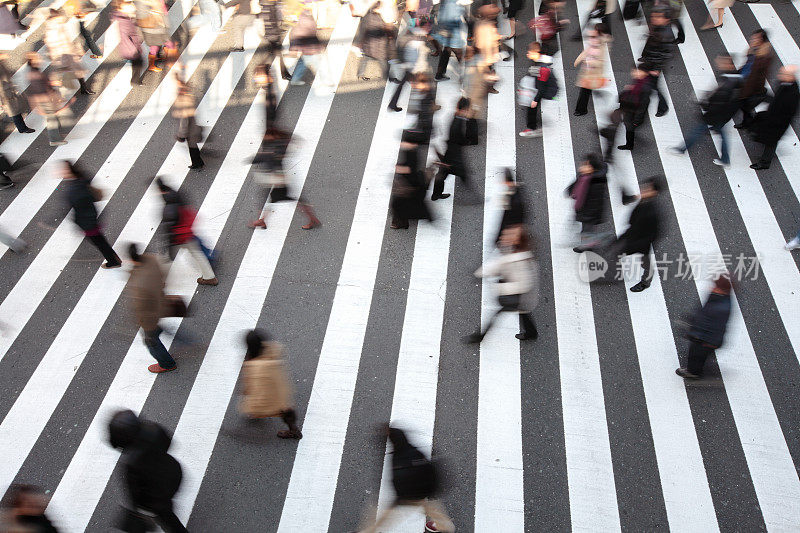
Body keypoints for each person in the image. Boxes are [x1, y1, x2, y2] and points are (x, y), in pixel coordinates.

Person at [359, 425, 454, 533]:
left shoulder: (398, 461)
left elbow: (399, 483)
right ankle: (445, 527)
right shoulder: (414, 452)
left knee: (386, 516)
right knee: (431, 508)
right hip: (424, 491)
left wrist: (399, 499)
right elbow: (430, 470)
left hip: (408, 497)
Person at [108, 410, 188, 533]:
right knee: (168, 510)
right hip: (174, 473)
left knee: (168, 519)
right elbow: (168, 442)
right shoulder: (153, 430)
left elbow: (135, 493)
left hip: (157, 497)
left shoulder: (131, 463)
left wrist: (137, 511)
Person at [466, 225, 539, 343]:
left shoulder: (521, 261)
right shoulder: (513, 251)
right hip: (521, 294)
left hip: (521, 296)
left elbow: (524, 284)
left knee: (497, 314)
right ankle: (531, 332)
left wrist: (501, 288)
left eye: (510, 235)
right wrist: (480, 274)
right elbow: (498, 265)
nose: (506, 235)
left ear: (517, 241)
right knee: (524, 312)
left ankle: (479, 336)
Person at [672, 55, 740, 168]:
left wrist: (704, 104)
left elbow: (719, 102)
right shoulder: (732, 77)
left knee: (698, 131)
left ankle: (682, 149)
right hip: (721, 115)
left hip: (716, 115)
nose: (719, 64)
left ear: (729, 64)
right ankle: (725, 159)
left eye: (722, 62)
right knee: (720, 135)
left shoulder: (729, 82)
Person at [249, 128, 321, 230]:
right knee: (270, 199)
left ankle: (313, 219)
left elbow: (271, 158)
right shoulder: (275, 144)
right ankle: (262, 220)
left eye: (266, 135)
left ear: (272, 135)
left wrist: (256, 158)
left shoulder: (277, 147)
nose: (263, 137)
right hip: (277, 178)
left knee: (290, 199)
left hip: (280, 181)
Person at [239, 329, 303, 439]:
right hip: (280, 390)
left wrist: (252, 401)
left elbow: (254, 387)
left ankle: (293, 431)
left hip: (268, 395)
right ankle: (293, 430)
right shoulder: (271, 353)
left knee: (260, 409)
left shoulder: (255, 367)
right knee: (285, 410)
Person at [155, 177, 219, 285]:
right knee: (197, 253)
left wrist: (167, 245)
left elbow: (169, 228)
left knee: (165, 258)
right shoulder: (176, 194)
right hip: (187, 232)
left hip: (178, 236)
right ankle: (209, 277)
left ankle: (160, 281)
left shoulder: (168, 209)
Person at [603, 176, 661, 292]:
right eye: (644, 187)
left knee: (645, 262)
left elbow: (654, 234)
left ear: (655, 193)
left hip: (641, 242)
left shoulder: (652, 211)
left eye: (648, 189)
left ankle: (645, 282)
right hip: (631, 235)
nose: (643, 190)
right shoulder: (644, 201)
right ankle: (615, 273)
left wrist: (636, 244)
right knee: (616, 251)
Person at [126, 243, 178, 373]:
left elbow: (142, 309)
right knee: (157, 331)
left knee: (151, 341)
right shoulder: (151, 259)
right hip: (160, 302)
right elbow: (162, 276)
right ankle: (184, 341)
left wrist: (143, 323)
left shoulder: (139, 285)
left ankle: (167, 364)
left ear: (131, 259)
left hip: (150, 315)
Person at [62, 161, 122, 269]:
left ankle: (113, 261)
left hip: (88, 222)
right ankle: (114, 258)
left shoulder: (73, 191)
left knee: (100, 242)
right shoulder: (82, 178)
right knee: (100, 240)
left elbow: (74, 206)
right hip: (91, 216)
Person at [676, 275, 732, 379]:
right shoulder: (719, 298)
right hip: (703, 336)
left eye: (716, 286)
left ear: (722, 290)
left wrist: (702, 339)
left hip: (706, 340)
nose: (712, 287)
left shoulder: (721, 308)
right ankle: (696, 368)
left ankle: (693, 372)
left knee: (696, 355)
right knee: (697, 354)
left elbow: (716, 328)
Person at [750, 65, 800, 170]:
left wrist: (774, 121)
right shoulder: (786, 84)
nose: (779, 75)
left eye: (783, 74)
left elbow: (788, 112)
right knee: (769, 139)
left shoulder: (793, 94)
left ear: (790, 77)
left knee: (771, 142)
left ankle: (764, 163)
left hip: (778, 123)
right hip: (773, 117)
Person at [600, 67, 652, 155]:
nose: (635, 73)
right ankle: (628, 143)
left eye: (638, 71)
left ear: (645, 73)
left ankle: (629, 144)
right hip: (627, 110)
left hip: (633, 114)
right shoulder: (638, 83)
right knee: (626, 126)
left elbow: (642, 107)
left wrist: (636, 121)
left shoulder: (644, 88)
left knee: (630, 128)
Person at [431, 97, 474, 201]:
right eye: (467, 110)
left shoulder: (456, 117)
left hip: (450, 153)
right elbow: (458, 139)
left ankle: (436, 195)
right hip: (453, 155)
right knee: (463, 175)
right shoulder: (457, 123)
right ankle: (474, 198)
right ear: (463, 109)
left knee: (442, 174)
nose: (468, 112)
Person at [43, 8, 95, 95]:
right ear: (54, 18)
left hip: (69, 54)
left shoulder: (58, 25)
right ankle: (52, 88)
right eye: (59, 18)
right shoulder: (51, 31)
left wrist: (76, 49)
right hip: (63, 56)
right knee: (66, 72)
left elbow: (67, 40)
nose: (62, 19)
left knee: (78, 70)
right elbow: (52, 45)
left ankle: (84, 88)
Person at [390, 130, 433, 229]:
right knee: (402, 205)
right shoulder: (411, 150)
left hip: (410, 183)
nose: (402, 144)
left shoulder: (411, 153)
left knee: (398, 205)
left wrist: (400, 168)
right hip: (411, 182)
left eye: (404, 142)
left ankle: (401, 222)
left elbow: (410, 167)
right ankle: (401, 222)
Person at [568, 153, 610, 252]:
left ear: (592, 168)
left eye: (586, 165)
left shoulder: (592, 182)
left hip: (589, 212)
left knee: (587, 230)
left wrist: (579, 210)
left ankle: (587, 245)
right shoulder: (589, 177)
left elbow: (585, 197)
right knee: (588, 229)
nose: (582, 166)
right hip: (589, 211)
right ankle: (590, 242)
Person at [734, 29, 773, 130]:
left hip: (751, 86)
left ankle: (750, 122)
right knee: (745, 106)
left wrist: (743, 93)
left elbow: (754, 77)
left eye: (756, 38)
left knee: (745, 104)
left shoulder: (763, 57)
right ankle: (747, 121)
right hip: (747, 82)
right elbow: (747, 65)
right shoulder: (754, 50)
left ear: (762, 41)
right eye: (753, 37)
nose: (753, 39)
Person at [26, 53, 68, 146]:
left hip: (44, 100)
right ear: (32, 62)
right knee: (52, 120)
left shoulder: (34, 72)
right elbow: (42, 89)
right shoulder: (35, 74)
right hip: (45, 101)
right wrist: (55, 94)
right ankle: (54, 140)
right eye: (37, 59)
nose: (39, 60)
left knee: (53, 119)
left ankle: (56, 136)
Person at [388, 22, 430, 112]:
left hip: (410, 66)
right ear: (423, 27)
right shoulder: (416, 39)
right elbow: (415, 55)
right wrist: (419, 68)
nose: (428, 29)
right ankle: (427, 105)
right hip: (414, 67)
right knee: (426, 86)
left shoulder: (411, 33)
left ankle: (393, 104)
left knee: (402, 85)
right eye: (427, 27)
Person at [518, 42, 556, 137]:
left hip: (543, 90)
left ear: (536, 53)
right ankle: (534, 125)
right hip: (538, 88)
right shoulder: (537, 61)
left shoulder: (543, 68)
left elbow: (542, 87)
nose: (527, 54)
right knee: (531, 109)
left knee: (532, 108)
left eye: (529, 52)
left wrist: (535, 100)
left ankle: (532, 128)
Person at [573, 27, 608, 116]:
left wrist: (590, 62)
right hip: (588, 73)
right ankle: (592, 93)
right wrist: (578, 60)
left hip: (593, 74)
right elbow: (586, 52)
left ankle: (581, 110)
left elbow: (601, 62)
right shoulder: (595, 42)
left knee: (584, 93)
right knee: (586, 90)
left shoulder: (601, 48)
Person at [431, 0, 467, 81]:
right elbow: (453, 19)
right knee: (459, 54)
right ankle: (464, 77)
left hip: (447, 33)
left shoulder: (445, 2)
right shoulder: (451, 3)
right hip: (453, 34)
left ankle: (439, 74)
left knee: (447, 51)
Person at [355, 1, 391, 81]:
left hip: (369, 44)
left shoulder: (367, 16)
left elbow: (362, 30)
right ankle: (387, 77)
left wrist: (360, 41)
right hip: (377, 43)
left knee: (366, 58)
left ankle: (360, 74)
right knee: (382, 60)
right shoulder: (376, 17)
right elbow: (381, 29)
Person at [173, 77, 204, 170]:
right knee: (193, 146)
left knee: (192, 148)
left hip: (190, 131)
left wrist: (181, 135)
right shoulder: (189, 97)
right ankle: (199, 161)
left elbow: (184, 122)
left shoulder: (184, 105)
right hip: (194, 128)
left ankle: (197, 163)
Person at [288, 9, 325, 86]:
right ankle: (322, 80)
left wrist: (293, 49)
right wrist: (319, 46)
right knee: (317, 65)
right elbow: (313, 37)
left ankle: (295, 79)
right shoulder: (311, 24)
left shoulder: (297, 28)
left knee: (302, 64)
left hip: (304, 50)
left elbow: (294, 39)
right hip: (311, 50)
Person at [112, 0, 146, 86]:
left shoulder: (125, 17)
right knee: (139, 62)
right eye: (129, 4)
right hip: (131, 47)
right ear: (122, 7)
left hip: (133, 45)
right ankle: (135, 80)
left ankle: (135, 80)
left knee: (138, 63)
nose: (132, 6)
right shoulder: (123, 20)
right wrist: (134, 50)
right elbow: (124, 37)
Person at [0, 54, 33, 133]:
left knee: (15, 110)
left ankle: (22, 127)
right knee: (14, 111)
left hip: (8, 90)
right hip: (6, 93)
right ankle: (22, 128)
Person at [259, 0, 291, 80]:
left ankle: (283, 73)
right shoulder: (267, 7)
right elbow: (270, 22)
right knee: (274, 54)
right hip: (272, 35)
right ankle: (263, 72)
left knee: (275, 54)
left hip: (274, 34)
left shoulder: (269, 5)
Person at [134, 0, 168, 73]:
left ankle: (157, 56)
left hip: (154, 19)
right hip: (153, 21)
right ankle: (151, 64)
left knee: (158, 42)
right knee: (155, 44)